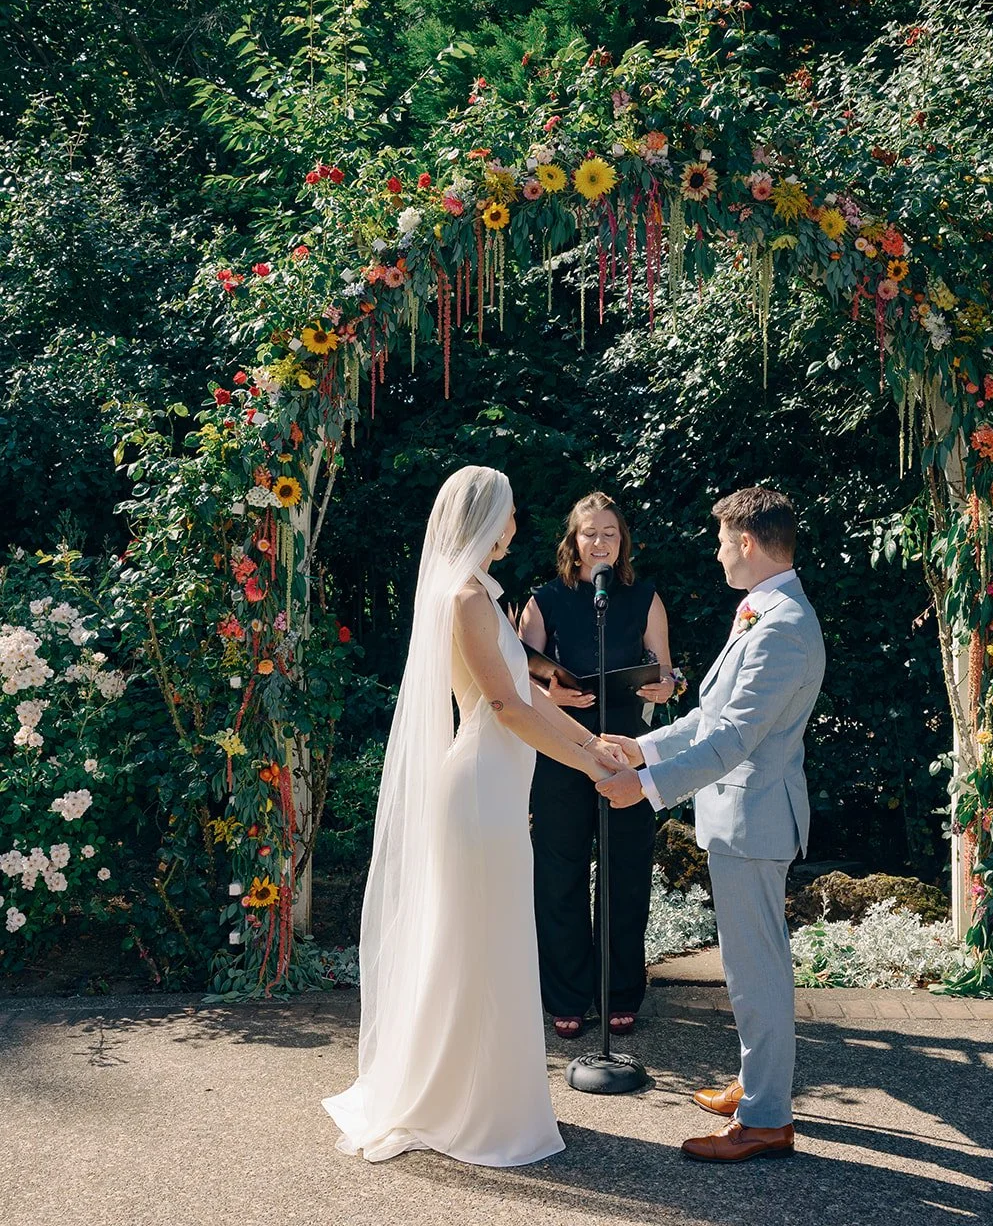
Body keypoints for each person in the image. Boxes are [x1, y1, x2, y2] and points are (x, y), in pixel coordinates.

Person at [323, 466, 625, 1167]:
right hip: (481, 791)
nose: (517, 525)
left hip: (496, 788)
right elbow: (505, 708)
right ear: (491, 522)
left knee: (485, 943)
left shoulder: (483, 598)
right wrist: (587, 767)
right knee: (481, 945)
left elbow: (529, 693)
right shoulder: (464, 599)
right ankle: (467, 1106)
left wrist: (593, 742)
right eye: (511, 513)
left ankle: (475, 1096)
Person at [597, 486, 825, 1165]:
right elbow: (709, 716)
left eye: (722, 540)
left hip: (754, 821)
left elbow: (735, 738)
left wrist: (642, 788)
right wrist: (645, 746)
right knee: (745, 967)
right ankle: (757, 1088)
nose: (717, 550)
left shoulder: (780, 625)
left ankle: (764, 1121)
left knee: (756, 974)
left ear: (747, 544)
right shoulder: (762, 610)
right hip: (739, 817)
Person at [518, 491, 676, 1040]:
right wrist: (552, 695)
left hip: (626, 751)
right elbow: (520, 675)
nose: (601, 541)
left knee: (625, 873)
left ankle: (619, 993)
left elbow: (666, 669)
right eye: (591, 532)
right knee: (559, 873)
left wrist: (666, 682)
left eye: (611, 531)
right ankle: (565, 994)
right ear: (574, 541)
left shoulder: (646, 597)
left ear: (622, 540)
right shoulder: (543, 599)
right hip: (561, 750)